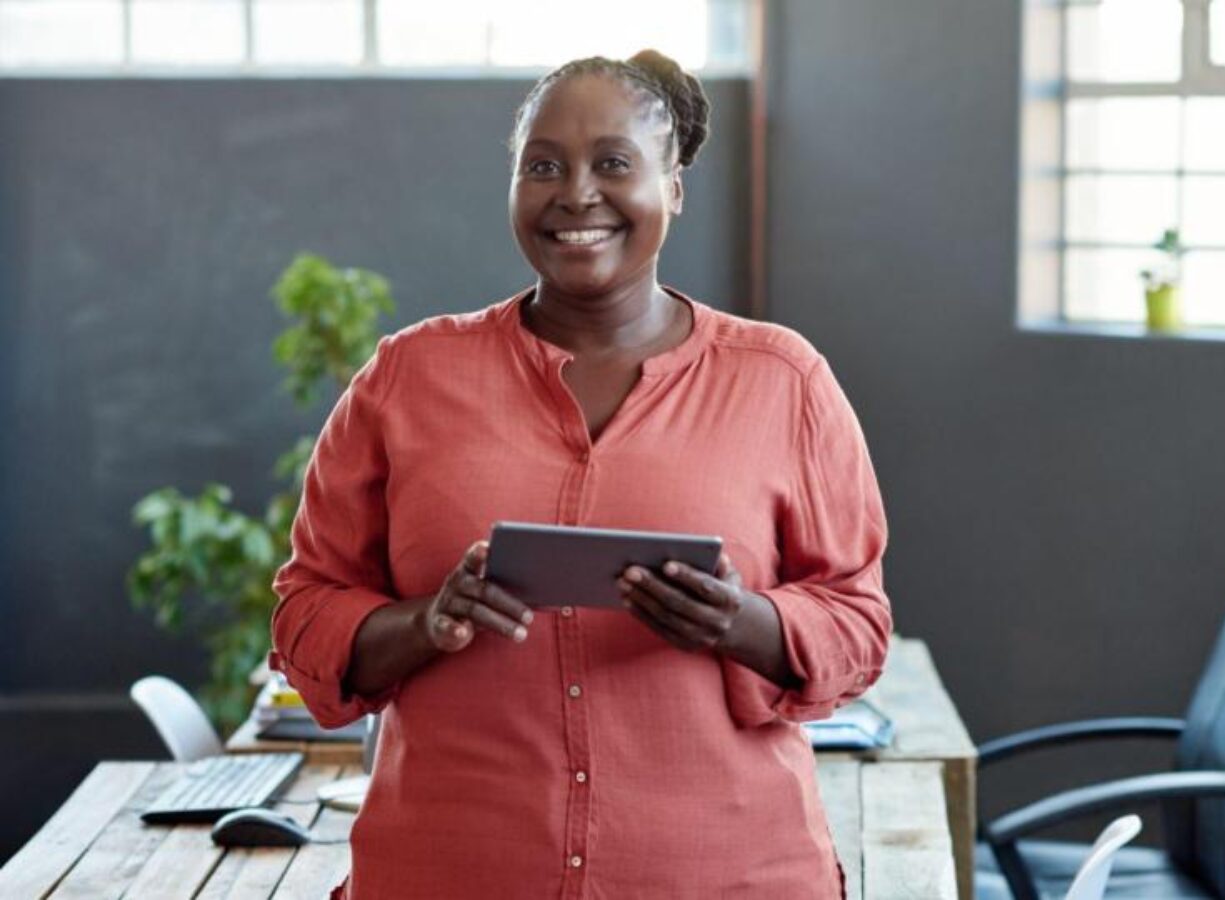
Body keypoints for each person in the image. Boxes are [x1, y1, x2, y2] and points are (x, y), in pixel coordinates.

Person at [269, 49, 891, 898]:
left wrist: (741, 621)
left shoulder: (782, 381)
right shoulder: (406, 379)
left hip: (728, 876)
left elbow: (857, 619)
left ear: (673, 187)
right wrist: (427, 623)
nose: (576, 194)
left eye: (613, 164)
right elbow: (307, 609)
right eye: (544, 166)